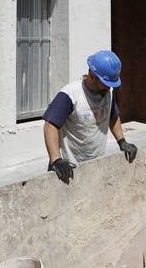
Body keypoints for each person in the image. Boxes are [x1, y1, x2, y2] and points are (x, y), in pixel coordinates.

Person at [43, 50, 137, 184]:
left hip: (95, 164)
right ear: (91, 75)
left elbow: (113, 116)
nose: (108, 88)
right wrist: (56, 160)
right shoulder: (70, 94)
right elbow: (50, 125)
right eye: (105, 84)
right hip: (68, 169)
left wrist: (122, 141)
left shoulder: (107, 93)